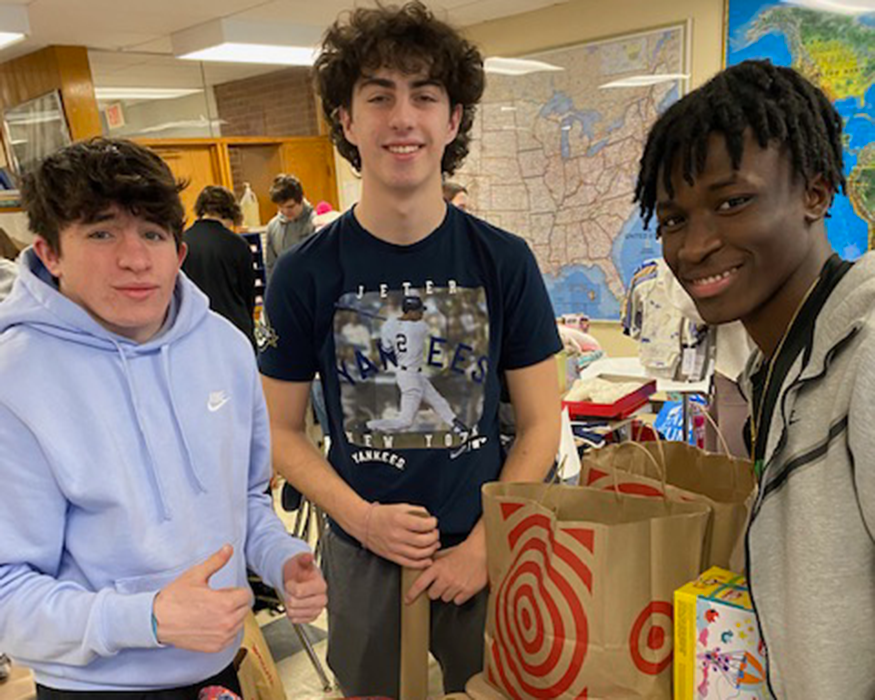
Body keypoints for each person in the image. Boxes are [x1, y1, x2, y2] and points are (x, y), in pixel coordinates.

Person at [258, 3, 562, 697]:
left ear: (452, 120)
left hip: (484, 545)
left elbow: (542, 422)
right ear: (346, 120)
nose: (403, 117)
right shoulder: (304, 272)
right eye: (378, 96)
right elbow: (279, 432)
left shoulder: (503, 261)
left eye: (424, 96)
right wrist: (360, 517)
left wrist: (485, 545)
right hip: (362, 555)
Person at [0, 138, 327, 698]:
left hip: (219, 667)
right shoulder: (16, 379)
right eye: (101, 233)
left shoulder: (224, 346)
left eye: (152, 233)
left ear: (178, 250)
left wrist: (282, 558)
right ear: (50, 253)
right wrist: (145, 618)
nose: (135, 258)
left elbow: (245, 500)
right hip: (92, 688)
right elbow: (8, 590)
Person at [635, 59, 873, 699]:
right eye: (674, 219)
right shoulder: (777, 367)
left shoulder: (866, 356)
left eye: (732, 202)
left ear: (816, 194)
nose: (693, 247)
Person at [182, 185, 256, 349]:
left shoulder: (181, 243)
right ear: (230, 212)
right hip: (234, 331)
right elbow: (248, 295)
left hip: (194, 333)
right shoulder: (238, 244)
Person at [264, 174, 314, 279]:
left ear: (300, 200)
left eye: (290, 207)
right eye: (281, 207)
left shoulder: (315, 222)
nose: (285, 212)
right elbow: (271, 266)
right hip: (285, 288)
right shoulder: (273, 227)